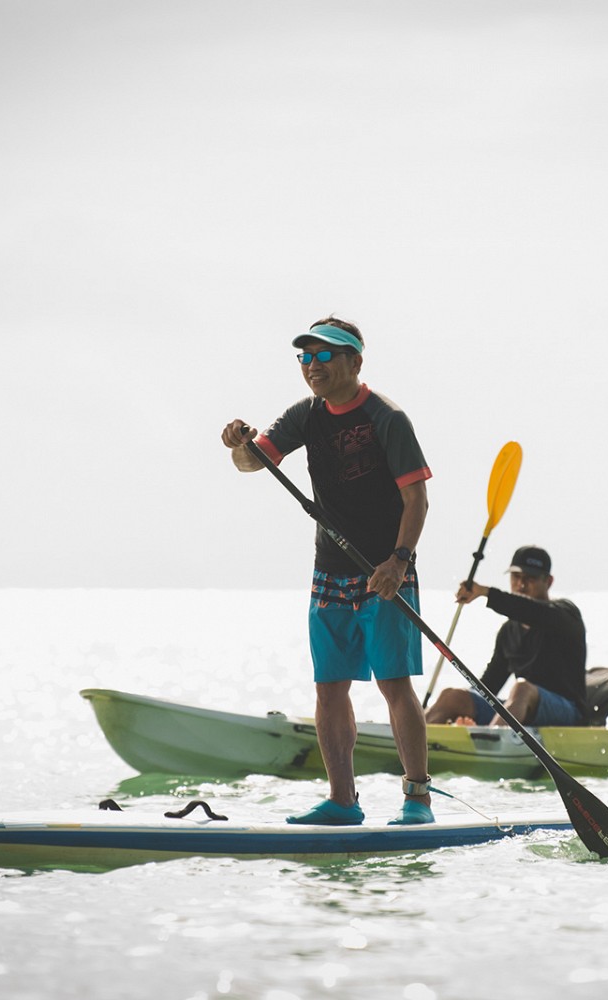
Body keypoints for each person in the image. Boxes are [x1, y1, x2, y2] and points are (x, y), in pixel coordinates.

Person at [220, 316, 434, 826]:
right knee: (330, 688)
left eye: (326, 356)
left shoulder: (387, 418)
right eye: (306, 357)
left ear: (355, 362)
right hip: (330, 571)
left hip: (385, 571)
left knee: (393, 684)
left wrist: (397, 561)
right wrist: (237, 445)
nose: (313, 366)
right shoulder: (305, 415)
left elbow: (417, 499)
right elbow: (254, 463)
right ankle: (343, 801)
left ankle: (417, 799)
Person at [424, 545, 587, 727]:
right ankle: (412, 739)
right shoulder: (508, 631)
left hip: (567, 713)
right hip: (520, 710)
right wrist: (465, 710)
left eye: (530, 578)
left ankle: (489, 740)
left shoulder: (566, 614)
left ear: (548, 582)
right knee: (452, 696)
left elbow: (532, 611)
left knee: (522, 688)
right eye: (516, 577)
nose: (521, 585)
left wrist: (486, 593)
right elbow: (487, 688)